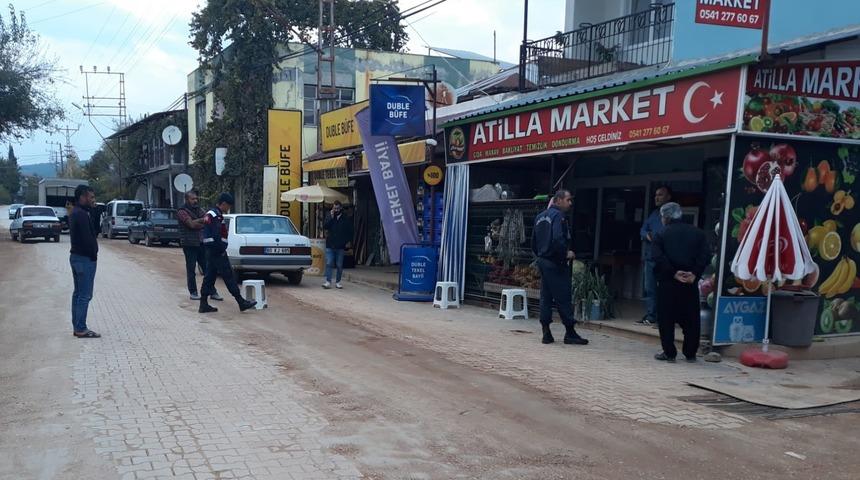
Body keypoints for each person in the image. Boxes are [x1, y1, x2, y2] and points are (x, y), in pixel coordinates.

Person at [651, 202, 709, 363]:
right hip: (689, 283)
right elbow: (705, 255)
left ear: (666, 217)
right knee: (691, 319)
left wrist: (673, 273)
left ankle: (669, 352)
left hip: (668, 282)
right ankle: (690, 352)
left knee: (666, 319)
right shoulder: (698, 233)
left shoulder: (660, 235)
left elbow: (657, 257)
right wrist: (694, 273)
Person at [532, 189, 588, 346]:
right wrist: (566, 253)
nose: (570, 203)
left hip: (543, 261)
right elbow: (557, 238)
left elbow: (534, 243)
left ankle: (546, 332)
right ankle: (570, 332)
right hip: (555, 262)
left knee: (546, 296)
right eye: (568, 200)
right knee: (563, 296)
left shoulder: (539, 217)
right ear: (557, 201)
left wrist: (541, 256)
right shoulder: (558, 216)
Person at [198, 193, 256, 313]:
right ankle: (241, 302)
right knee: (228, 276)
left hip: (210, 250)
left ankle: (203, 304)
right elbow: (217, 235)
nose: (228, 209)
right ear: (223, 203)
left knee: (209, 277)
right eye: (228, 206)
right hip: (217, 251)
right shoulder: (216, 216)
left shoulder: (211, 214)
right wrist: (221, 250)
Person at [177, 190, 222, 301]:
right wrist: (202, 222)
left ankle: (212, 292)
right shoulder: (182, 211)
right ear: (187, 200)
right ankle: (193, 292)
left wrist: (199, 222)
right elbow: (191, 224)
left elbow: (209, 221)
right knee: (191, 269)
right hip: (189, 244)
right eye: (193, 199)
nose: (195, 201)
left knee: (207, 269)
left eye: (196, 198)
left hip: (201, 243)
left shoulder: (199, 209)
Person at [69, 184, 101, 338]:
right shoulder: (81, 214)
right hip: (84, 259)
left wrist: (93, 212)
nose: (93, 200)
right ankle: (81, 328)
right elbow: (88, 238)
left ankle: (77, 326)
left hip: (77, 257)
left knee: (78, 294)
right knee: (85, 295)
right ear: (82, 197)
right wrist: (93, 254)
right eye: (91, 197)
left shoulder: (78, 212)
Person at [639, 185, 672, 325]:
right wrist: (647, 235)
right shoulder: (653, 214)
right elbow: (642, 229)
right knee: (649, 288)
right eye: (656, 195)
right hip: (650, 258)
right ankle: (651, 315)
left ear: (668, 197)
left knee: (666, 289)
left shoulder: (672, 214)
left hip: (666, 259)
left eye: (660, 195)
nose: (656, 197)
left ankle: (665, 317)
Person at [322, 200, 353, 290]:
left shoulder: (345, 218)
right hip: (330, 244)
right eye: (334, 208)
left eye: (338, 208)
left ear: (341, 208)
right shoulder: (330, 216)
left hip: (340, 246)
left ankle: (338, 282)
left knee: (339, 265)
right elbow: (325, 226)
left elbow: (350, 231)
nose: (336, 210)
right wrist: (331, 217)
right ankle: (328, 281)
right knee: (329, 263)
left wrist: (346, 241)